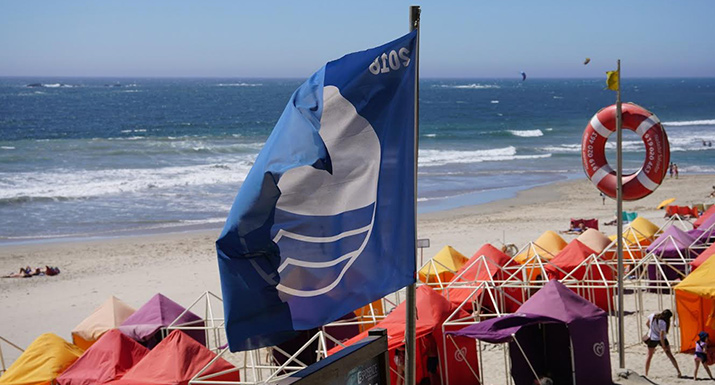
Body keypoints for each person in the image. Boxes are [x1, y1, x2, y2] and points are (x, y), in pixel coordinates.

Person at [644, 309, 682, 378]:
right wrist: (664, 346)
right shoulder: (663, 322)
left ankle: (646, 373)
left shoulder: (653, 316)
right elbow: (661, 336)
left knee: (649, 356)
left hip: (652, 338)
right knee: (670, 355)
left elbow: (647, 323)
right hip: (661, 339)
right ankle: (678, 371)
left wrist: (652, 329)